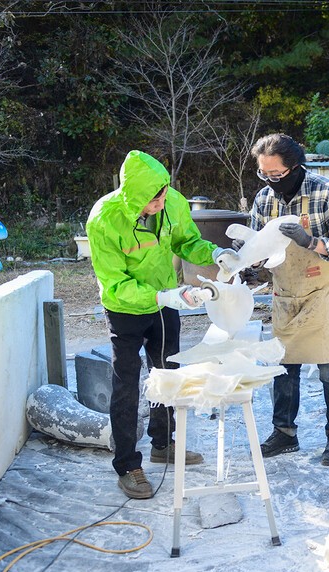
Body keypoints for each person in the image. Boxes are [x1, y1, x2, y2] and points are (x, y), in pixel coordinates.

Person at [87, 150, 238, 499]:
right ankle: (127, 465)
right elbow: (114, 284)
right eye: (151, 200)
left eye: (162, 195)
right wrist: (160, 298)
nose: (159, 204)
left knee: (168, 373)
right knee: (126, 383)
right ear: (133, 196)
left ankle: (163, 443)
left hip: (166, 301)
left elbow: (187, 241)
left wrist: (213, 254)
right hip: (125, 308)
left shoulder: (173, 202)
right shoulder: (104, 220)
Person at [240, 133, 329, 466]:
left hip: (321, 293)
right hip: (285, 293)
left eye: (276, 175)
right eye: (264, 174)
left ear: (295, 167)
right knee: (283, 367)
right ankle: (284, 434)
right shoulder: (264, 200)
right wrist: (252, 269)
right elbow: (256, 250)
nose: (270, 182)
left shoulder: (326, 193)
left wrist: (310, 241)